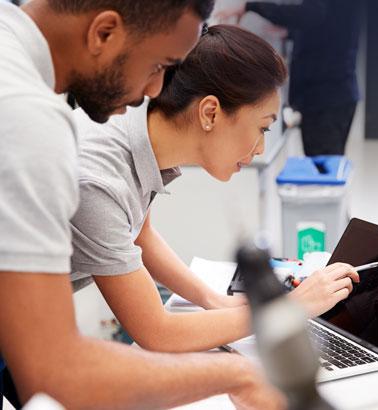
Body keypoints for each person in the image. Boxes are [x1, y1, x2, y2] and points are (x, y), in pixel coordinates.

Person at [0, 1, 288, 409]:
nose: (155, 91)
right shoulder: (34, 123)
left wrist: (213, 300)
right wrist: (241, 372)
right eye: (158, 66)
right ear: (104, 32)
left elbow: (139, 233)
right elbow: (56, 371)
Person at [69, 24, 360, 354]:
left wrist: (211, 299)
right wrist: (290, 308)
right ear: (210, 113)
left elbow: (139, 233)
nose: (261, 148)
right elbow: (158, 332)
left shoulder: (135, 123)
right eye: (263, 128)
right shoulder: (101, 178)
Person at [218, 0, 362, 156]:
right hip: (333, 94)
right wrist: (290, 33)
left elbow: (311, 14)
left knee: (323, 163)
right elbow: (328, 26)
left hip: (326, 98)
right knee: (327, 162)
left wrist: (250, 6)